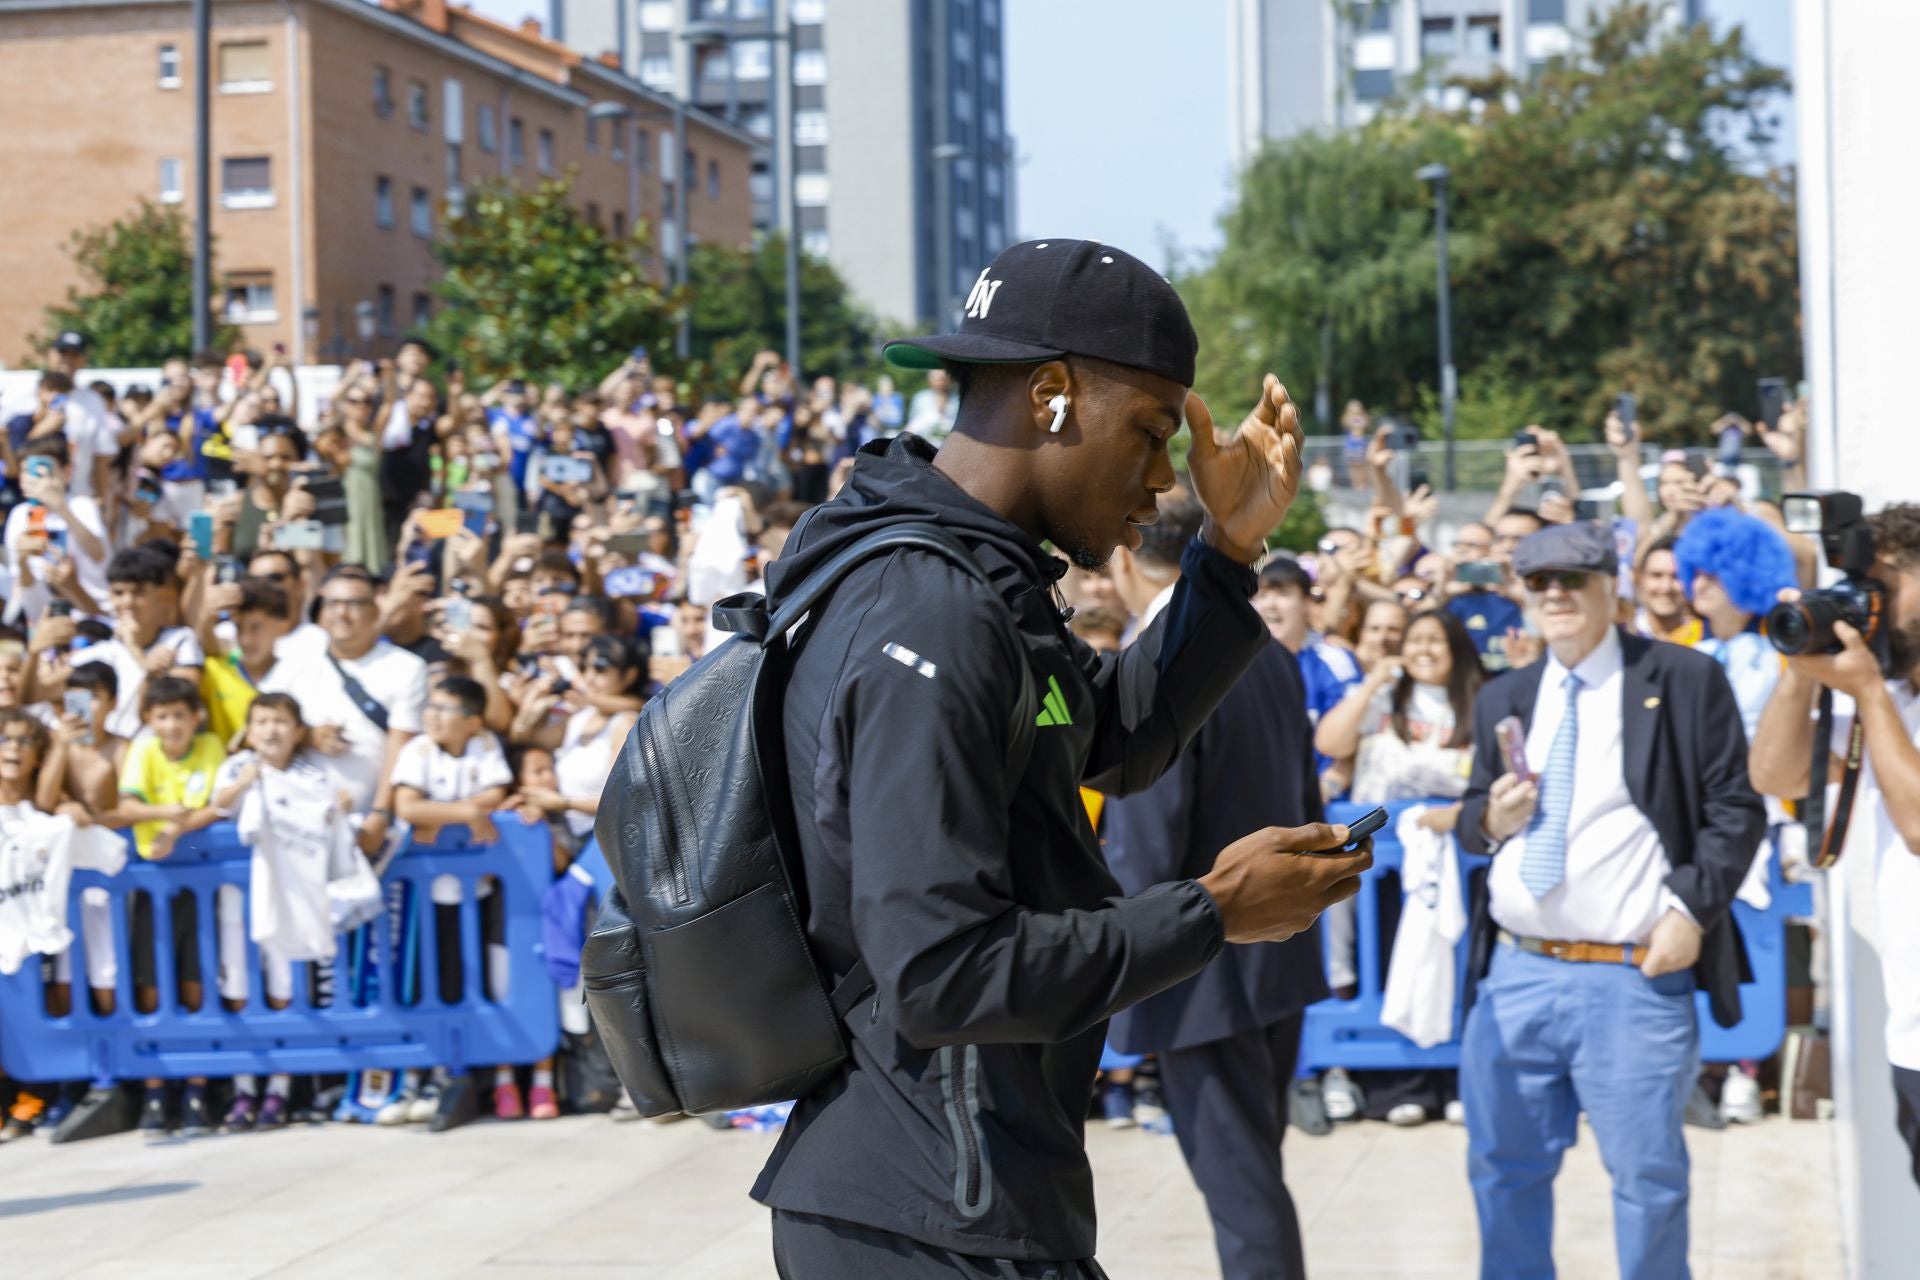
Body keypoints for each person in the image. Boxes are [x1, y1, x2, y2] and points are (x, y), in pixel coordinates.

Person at [747, 239, 1370, 1277]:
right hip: (928, 1210)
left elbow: (1113, 740)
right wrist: (1212, 909)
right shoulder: (930, 610)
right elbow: (942, 974)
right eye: (1151, 432)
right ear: (1050, 394)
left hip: (964, 1188)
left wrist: (1226, 553)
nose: (1167, 479)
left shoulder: (975, 580)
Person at [1456, 522, 1765, 1280]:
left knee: (1648, 1186)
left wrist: (1689, 910)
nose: (1556, 594)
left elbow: (1736, 810)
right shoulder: (1506, 693)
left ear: (1611, 588)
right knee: (1502, 1175)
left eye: (1573, 579)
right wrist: (1490, 819)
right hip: (1518, 974)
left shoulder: (1683, 678)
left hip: (1630, 976)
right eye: (1540, 583)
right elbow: (1472, 816)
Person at [1099, 491, 1329, 1280]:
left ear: (1126, 555)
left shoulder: (1165, 649)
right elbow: (1309, 802)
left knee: (1242, 1189)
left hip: (1204, 954)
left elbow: (1149, 832)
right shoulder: (1266, 647)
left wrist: (1118, 955)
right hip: (1272, 952)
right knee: (1253, 1170)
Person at [1749, 503, 1920, 1185]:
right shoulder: (1891, 694)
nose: (1866, 607)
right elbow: (1775, 774)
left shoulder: (1881, 696)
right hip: (1912, 1032)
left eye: (1880, 588)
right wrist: (1799, 671)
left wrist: (1869, 694)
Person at [388, 674, 514, 1122]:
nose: (433, 718)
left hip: (476, 889)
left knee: (473, 977)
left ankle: (474, 1076)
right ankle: (434, 1074)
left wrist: (440, 816)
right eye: (431, 708)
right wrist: (464, 812)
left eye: (446, 710)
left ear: (473, 722)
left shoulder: (485, 747)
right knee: (429, 979)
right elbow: (407, 807)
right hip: (425, 897)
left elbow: (497, 792)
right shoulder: (417, 750)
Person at [111, 676, 228, 1134]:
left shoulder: (211, 744)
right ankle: (157, 1092)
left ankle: (197, 1089)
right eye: (162, 716)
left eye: (180, 714)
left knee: (195, 981)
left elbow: (217, 805)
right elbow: (127, 805)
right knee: (150, 984)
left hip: (199, 877)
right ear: (149, 720)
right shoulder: (143, 751)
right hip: (152, 882)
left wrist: (176, 829)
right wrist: (166, 815)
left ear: (196, 717)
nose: (172, 724)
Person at [260, 566, 427, 852]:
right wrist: (307, 737)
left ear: (375, 610)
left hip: (365, 825)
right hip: (295, 825)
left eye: (353, 604)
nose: (341, 613)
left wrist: (380, 815)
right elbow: (256, 724)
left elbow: (402, 749)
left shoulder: (407, 667)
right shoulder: (296, 659)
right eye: (332, 603)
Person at [71, 546, 206, 741]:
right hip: (107, 755)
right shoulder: (96, 645)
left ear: (159, 595)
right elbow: (70, 709)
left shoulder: (180, 640)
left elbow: (177, 704)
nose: (128, 602)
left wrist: (135, 650)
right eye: (118, 593)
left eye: (139, 593)